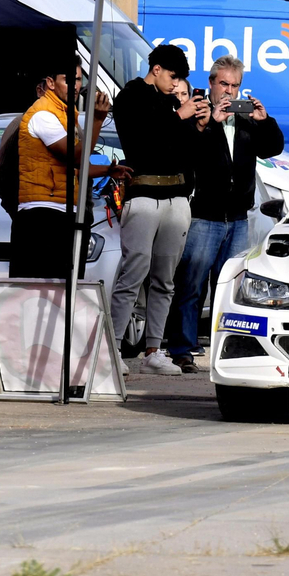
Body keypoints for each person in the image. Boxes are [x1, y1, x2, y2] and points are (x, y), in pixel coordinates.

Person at [165, 55, 284, 372]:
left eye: (235, 85)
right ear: (212, 83)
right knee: (191, 284)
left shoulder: (244, 119)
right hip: (205, 215)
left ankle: (224, 348)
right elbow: (188, 153)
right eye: (224, 84)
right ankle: (182, 350)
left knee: (229, 287)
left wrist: (264, 119)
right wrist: (211, 123)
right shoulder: (199, 114)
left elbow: (273, 148)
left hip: (238, 218)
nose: (229, 91)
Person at [109, 44, 206, 375]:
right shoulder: (133, 95)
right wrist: (179, 115)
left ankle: (154, 349)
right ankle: (113, 347)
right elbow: (142, 140)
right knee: (134, 273)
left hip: (176, 195)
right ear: (157, 69)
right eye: (173, 76)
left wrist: (202, 124)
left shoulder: (171, 104)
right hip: (144, 193)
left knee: (165, 279)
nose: (175, 83)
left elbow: (188, 150)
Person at [10, 66, 126, 279]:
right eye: (68, 80)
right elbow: (75, 156)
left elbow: (72, 168)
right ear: (51, 83)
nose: (76, 86)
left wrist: (108, 170)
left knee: (62, 290)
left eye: (79, 80)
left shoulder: (64, 114)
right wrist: (98, 120)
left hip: (61, 210)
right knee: (39, 288)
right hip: (42, 213)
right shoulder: (43, 114)